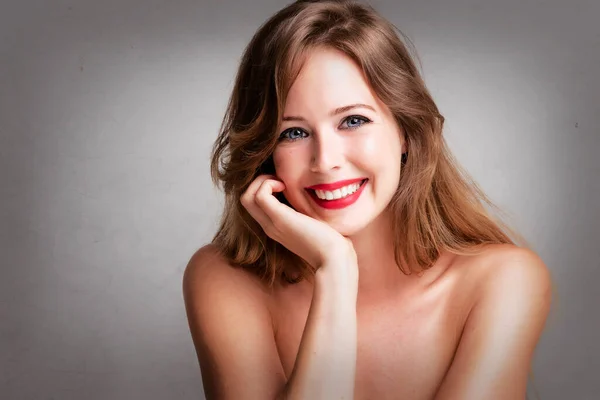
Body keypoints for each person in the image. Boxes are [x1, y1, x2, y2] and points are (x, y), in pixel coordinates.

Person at [182, 0, 552, 399]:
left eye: (353, 121)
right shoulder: (224, 279)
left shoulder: (502, 282)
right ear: (265, 151)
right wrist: (336, 272)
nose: (326, 161)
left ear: (406, 131)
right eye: (292, 132)